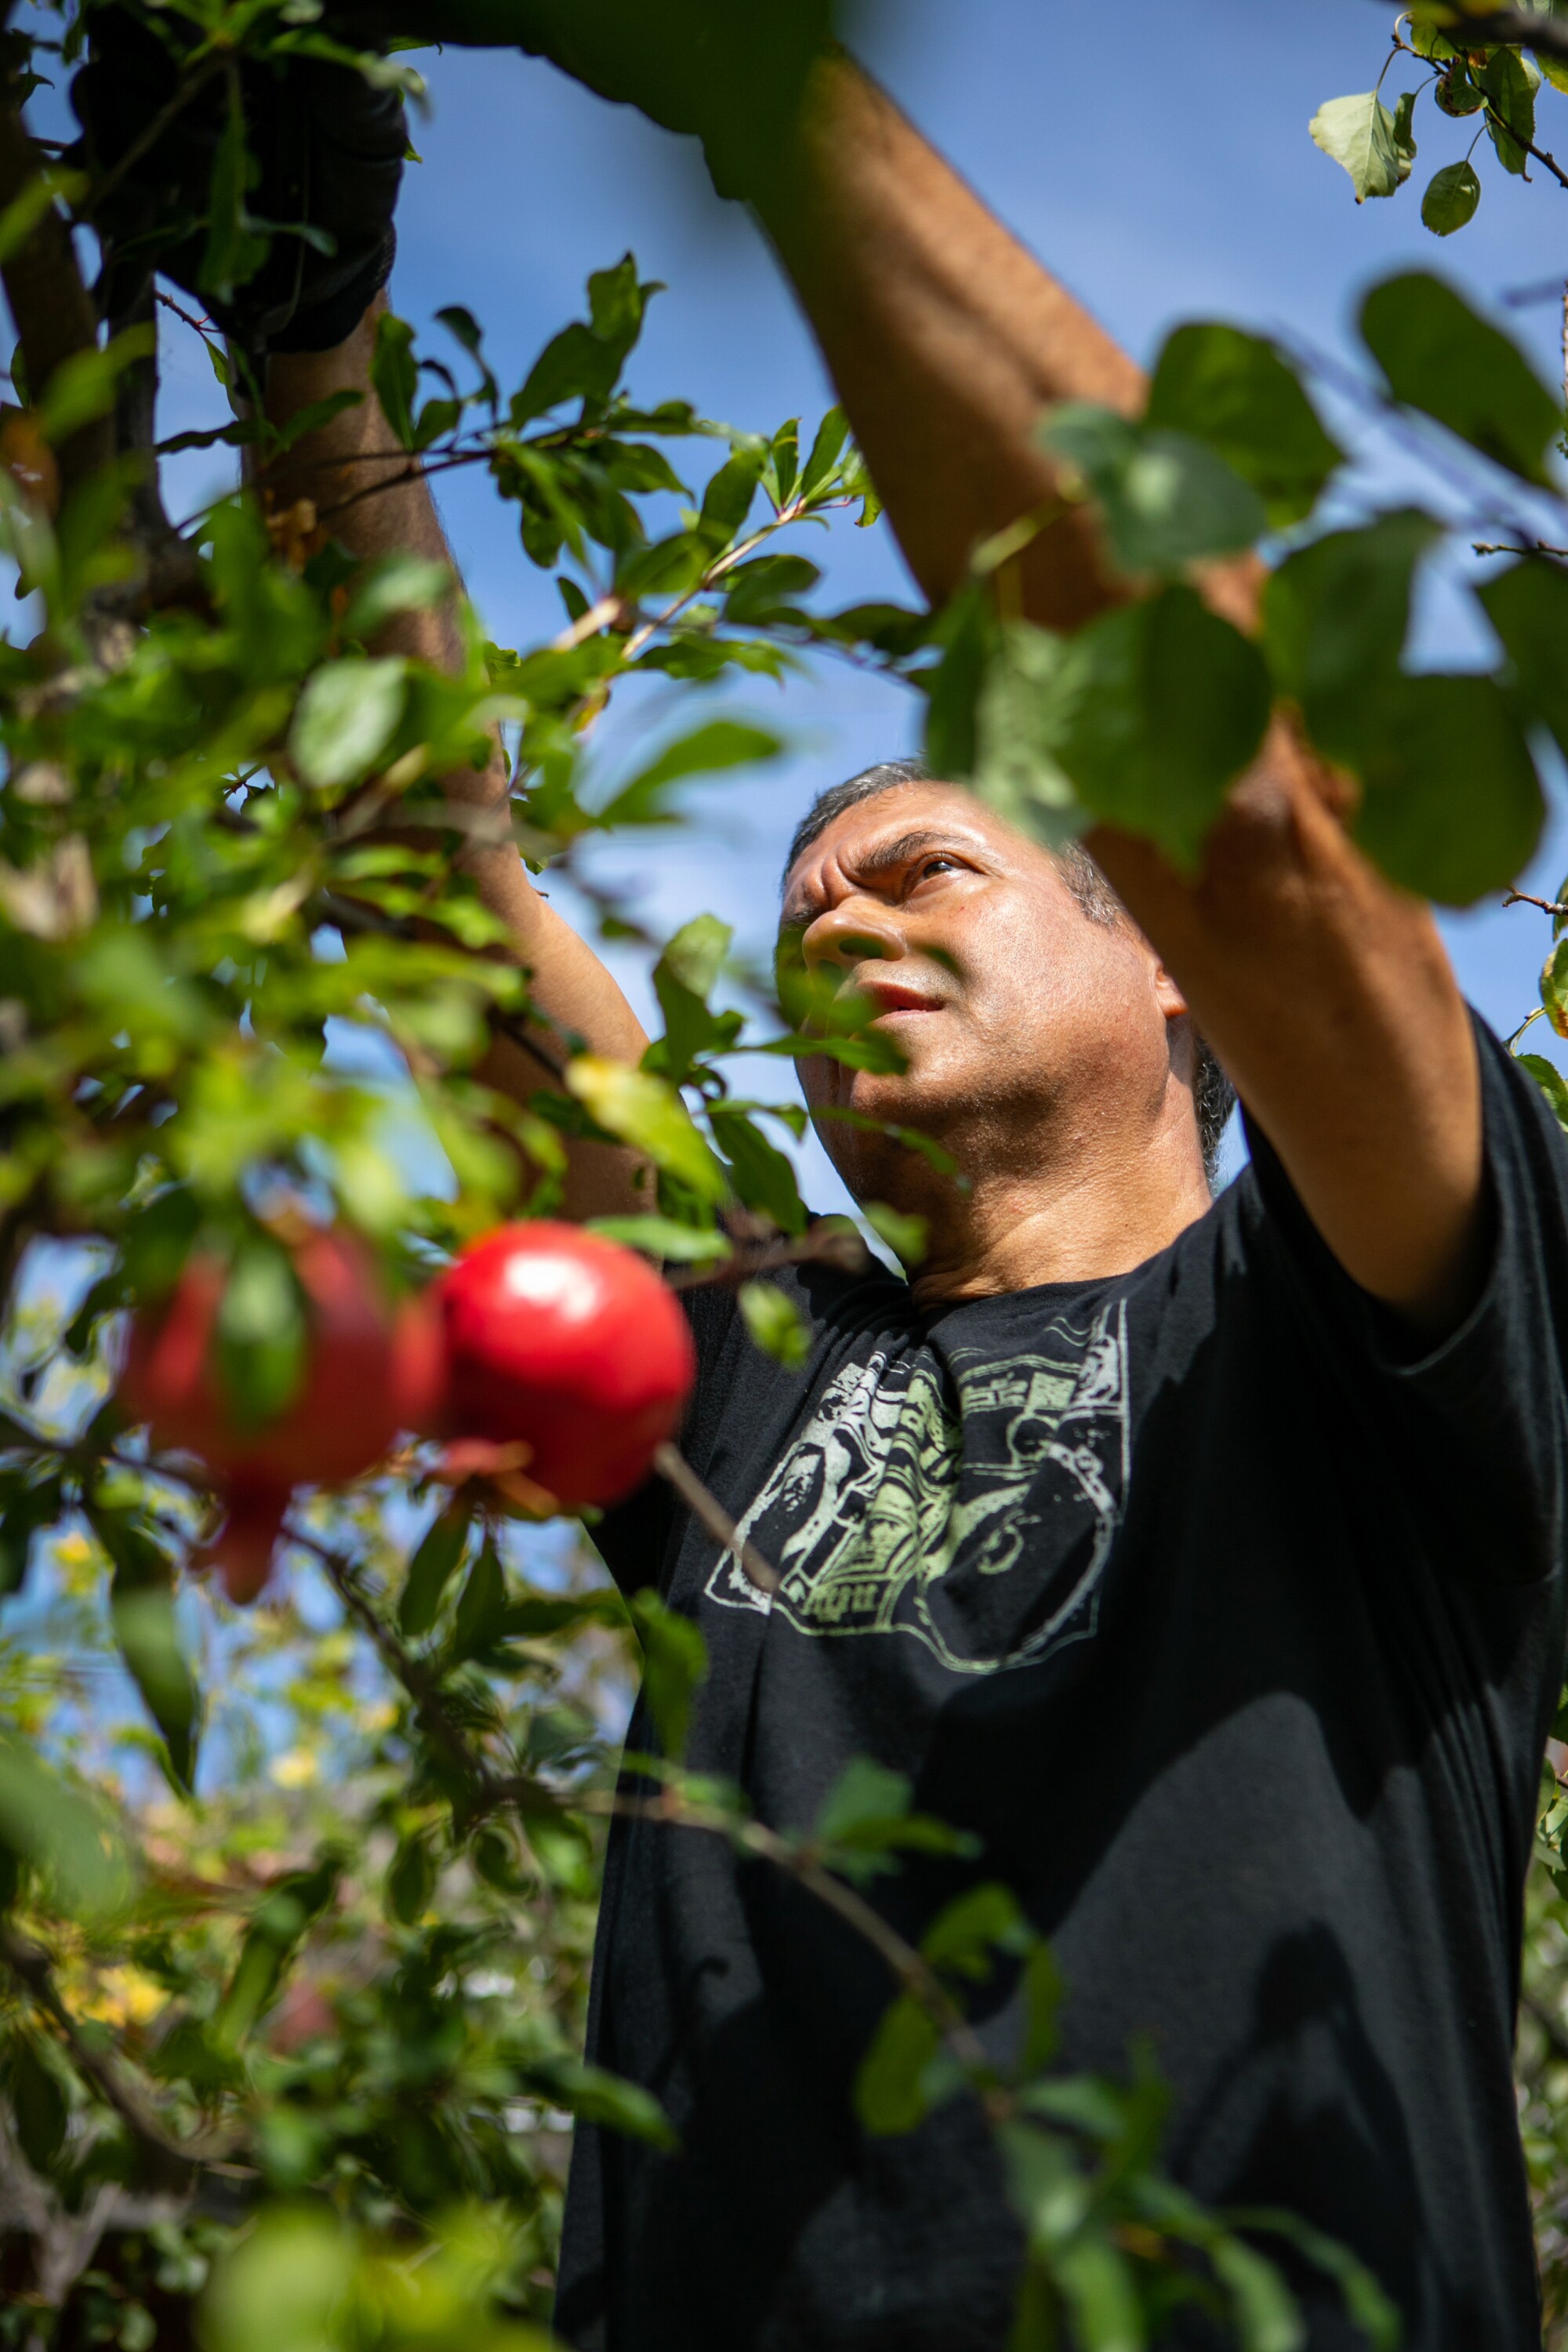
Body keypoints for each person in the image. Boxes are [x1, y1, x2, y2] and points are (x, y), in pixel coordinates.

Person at [73, 12, 1568, 2348]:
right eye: (801, 923)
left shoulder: (1369, 1324)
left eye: (927, 867)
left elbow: (1255, 820)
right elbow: (451, 912)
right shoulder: (752, 1375)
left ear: (1158, 960)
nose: (843, 923)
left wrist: (758, 80)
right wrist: (303, 357)